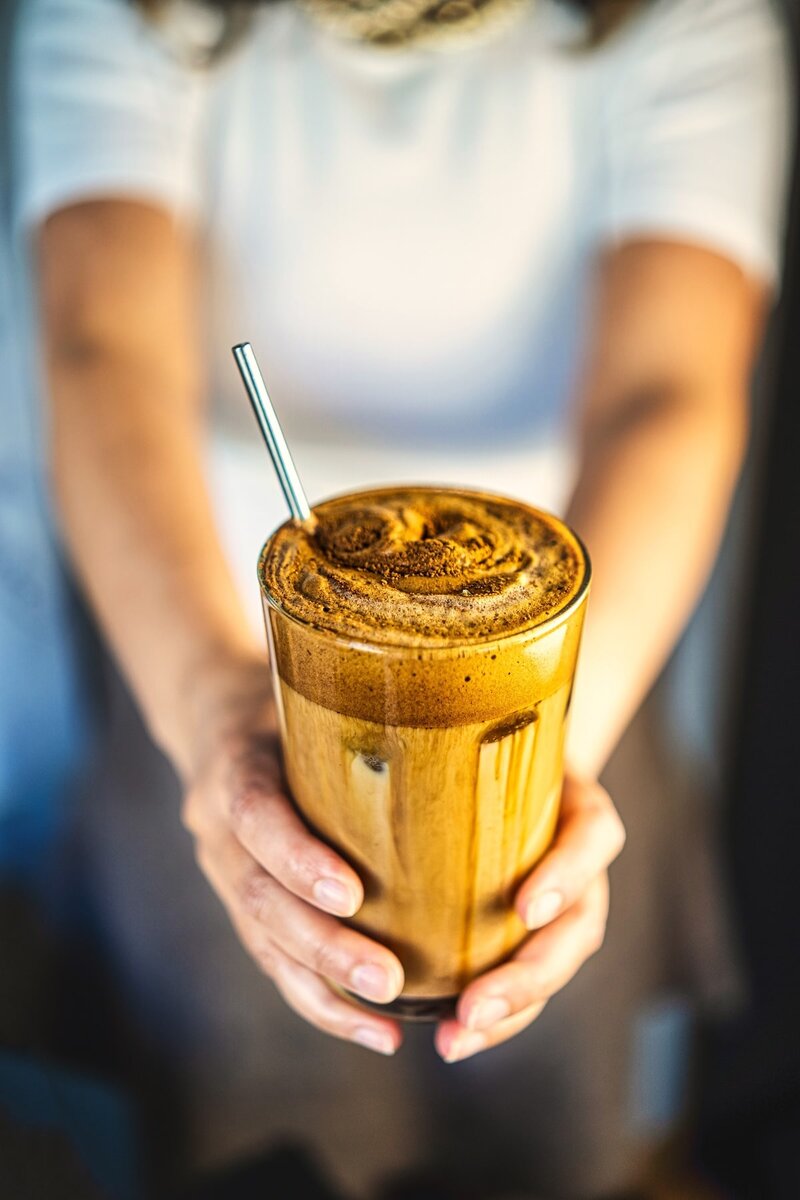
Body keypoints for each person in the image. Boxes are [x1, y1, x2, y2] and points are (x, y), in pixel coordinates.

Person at [9, 0, 791, 1195]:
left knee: (541, 1112)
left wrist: (548, 757)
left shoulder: (691, 19)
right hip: (197, 637)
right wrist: (219, 722)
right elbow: (101, 349)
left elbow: (668, 391)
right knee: (228, 1111)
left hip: (566, 658)